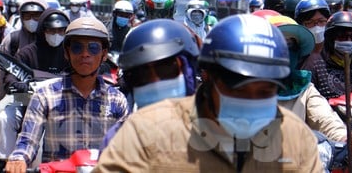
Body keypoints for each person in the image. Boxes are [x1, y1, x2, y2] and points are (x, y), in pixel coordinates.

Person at [95, 14, 323, 172]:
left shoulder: (297, 139)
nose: (251, 100)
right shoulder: (144, 132)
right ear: (210, 77)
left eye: (265, 91)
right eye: (239, 88)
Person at [254, 11, 352, 171]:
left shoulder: (302, 87)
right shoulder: (237, 88)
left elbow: (326, 120)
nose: (286, 51)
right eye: (280, 44)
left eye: (292, 46)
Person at [4, 17, 129, 173]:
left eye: (93, 48)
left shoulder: (117, 101)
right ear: (67, 53)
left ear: (104, 55)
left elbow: (126, 149)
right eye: (77, 48)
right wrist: (19, 159)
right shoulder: (45, 96)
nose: (85, 54)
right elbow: (28, 139)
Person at [0, 9, 70, 172]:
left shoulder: (70, 54)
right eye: (51, 30)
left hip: (60, 108)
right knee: (5, 117)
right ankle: (4, 159)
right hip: (26, 104)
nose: (56, 34)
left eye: (61, 31)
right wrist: (20, 85)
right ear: (43, 30)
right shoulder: (28, 52)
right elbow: (11, 77)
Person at [100, 18, 200, 149]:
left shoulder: (213, 137)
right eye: (141, 74)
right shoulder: (118, 140)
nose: (156, 82)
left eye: (165, 69)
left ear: (189, 73)